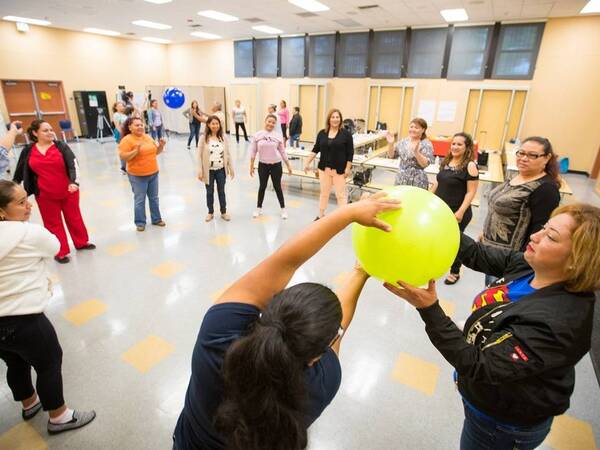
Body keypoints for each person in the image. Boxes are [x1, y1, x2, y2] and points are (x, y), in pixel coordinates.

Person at [173, 192, 401, 450]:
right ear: (315, 357)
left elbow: (286, 260)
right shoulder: (319, 387)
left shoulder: (218, 333)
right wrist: (361, 272)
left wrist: (347, 213)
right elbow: (340, 329)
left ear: (271, 305)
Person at [385, 202, 600, 450]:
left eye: (550, 237)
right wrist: (433, 227)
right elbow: (476, 254)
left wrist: (430, 309)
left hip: (503, 424)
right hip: (485, 395)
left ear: (577, 260)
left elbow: (480, 364)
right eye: (544, 228)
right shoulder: (529, 267)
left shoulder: (559, 323)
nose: (535, 235)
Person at [0, 180, 96, 434]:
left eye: (26, 198)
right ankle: (59, 416)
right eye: (20, 202)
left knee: (15, 363)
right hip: (25, 318)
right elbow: (54, 246)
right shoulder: (29, 233)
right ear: (2, 211)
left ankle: (29, 404)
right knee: (49, 362)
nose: (28, 205)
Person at [13, 120, 95, 264]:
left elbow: (73, 165)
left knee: (74, 218)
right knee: (52, 223)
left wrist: (74, 182)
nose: (50, 132)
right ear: (34, 133)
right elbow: (20, 169)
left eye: (51, 129)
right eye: (45, 130)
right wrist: (14, 186)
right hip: (44, 194)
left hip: (68, 191)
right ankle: (60, 251)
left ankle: (81, 243)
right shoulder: (28, 150)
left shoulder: (61, 146)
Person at [481, 136, 560, 285]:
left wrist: (519, 265)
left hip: (509, 261)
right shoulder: (517, 176)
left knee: (495, 298)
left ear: (547, 158)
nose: (524, 158)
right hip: (491, 253)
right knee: (488, 290)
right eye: (521, 153)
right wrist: (485, 232)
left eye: (532, 155)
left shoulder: (546, 189)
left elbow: (538, 231)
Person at [430, 132, 479, 285]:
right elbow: (438, 183)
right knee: (437, 239)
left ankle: (455, 271)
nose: (455, 147)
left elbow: (471, 192)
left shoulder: (470, 165)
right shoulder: (446, 161)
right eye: (453, 143)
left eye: (459, 144)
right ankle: (435, 266)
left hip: (457, 212)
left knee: (455, 243)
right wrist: (427, 198)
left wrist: (460, 211)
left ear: (467, 147)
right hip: (440, 211)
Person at [303, 109, 354, 220]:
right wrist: (307, 162)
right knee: (324, 193)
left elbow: (350, 153)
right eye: (333, 117)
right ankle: (321, 215)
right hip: (324, 170)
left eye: (337, 117)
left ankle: (343, 217)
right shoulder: (322, 133)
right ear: (329, 119)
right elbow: (315, 149)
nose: (335, 119)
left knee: (340, 195)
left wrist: (348, 168)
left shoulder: (346, 134)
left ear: (340, 119)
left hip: (339, 170)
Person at [118, 116, 166, 232]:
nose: (140, 127)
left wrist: (161, 146)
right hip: (137, 176)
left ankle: (156, 219)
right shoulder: (127, 140)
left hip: (153, 173)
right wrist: (135, 151)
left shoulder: (148, 137)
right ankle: (140, 222)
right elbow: (123, 156)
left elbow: (156, 152)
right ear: (130, 127)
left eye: (141, 125)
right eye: (137, 125)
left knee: (154, 198)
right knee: (140, 199)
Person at [249, 114, 293, 220]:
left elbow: (282, 151)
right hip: (262, 165)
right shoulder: (257, 135)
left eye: (273, 122)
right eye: (269, 121)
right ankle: (258, 208)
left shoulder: (278, 136)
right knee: (262, 187)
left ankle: (283, 209)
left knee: (277, 187)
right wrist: (251, 166)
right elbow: (253, 151)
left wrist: (288, 165)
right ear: (265, 121)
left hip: (276, 165)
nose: (271, 124)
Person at [198, 116, 234, 222]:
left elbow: (228, 154)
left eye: (217, 124)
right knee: (209, 192)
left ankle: (223, 212)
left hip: (221, 170)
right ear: (208, 125)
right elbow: (199, 155)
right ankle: (210, 212)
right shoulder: (203, 138)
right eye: (213, 123)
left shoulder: (223, 137)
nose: (215, 126)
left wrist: (231, 168)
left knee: (221, 191)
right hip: (208, 171)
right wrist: (200, 169)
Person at [386, 117, 434, 189]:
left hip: (417, 181)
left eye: (416, 128)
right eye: (411, 127)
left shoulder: (426, 144)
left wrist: (416, 152)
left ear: (423, 130)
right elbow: (391, 155)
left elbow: (424, 164)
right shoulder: (404, 142)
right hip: (401, 179)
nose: (413, 129)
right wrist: (391, 144)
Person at [112, 102, 128, 173]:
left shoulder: (124, 115)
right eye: (119, 106)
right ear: (116, 108)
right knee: (123, 150)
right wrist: (122, 134)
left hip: (126, 133)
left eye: (122, 106)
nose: (121, 107)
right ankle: (123, 167)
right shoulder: (116, 115)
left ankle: (127, 166)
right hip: (120, 134)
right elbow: (117, 126)